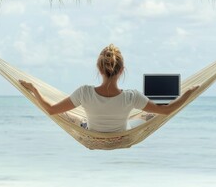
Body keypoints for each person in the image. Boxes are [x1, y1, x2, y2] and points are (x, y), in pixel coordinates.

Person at [19, 44, 200, 132]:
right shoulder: (131, 97)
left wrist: (34, 89)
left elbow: (51, 110)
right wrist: (189, 93)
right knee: (149, 114)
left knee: (69, 115)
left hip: (92, 135)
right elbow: (167, 111)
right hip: (123, 136)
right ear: (122, 70)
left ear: (99, 69)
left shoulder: (85, 92)